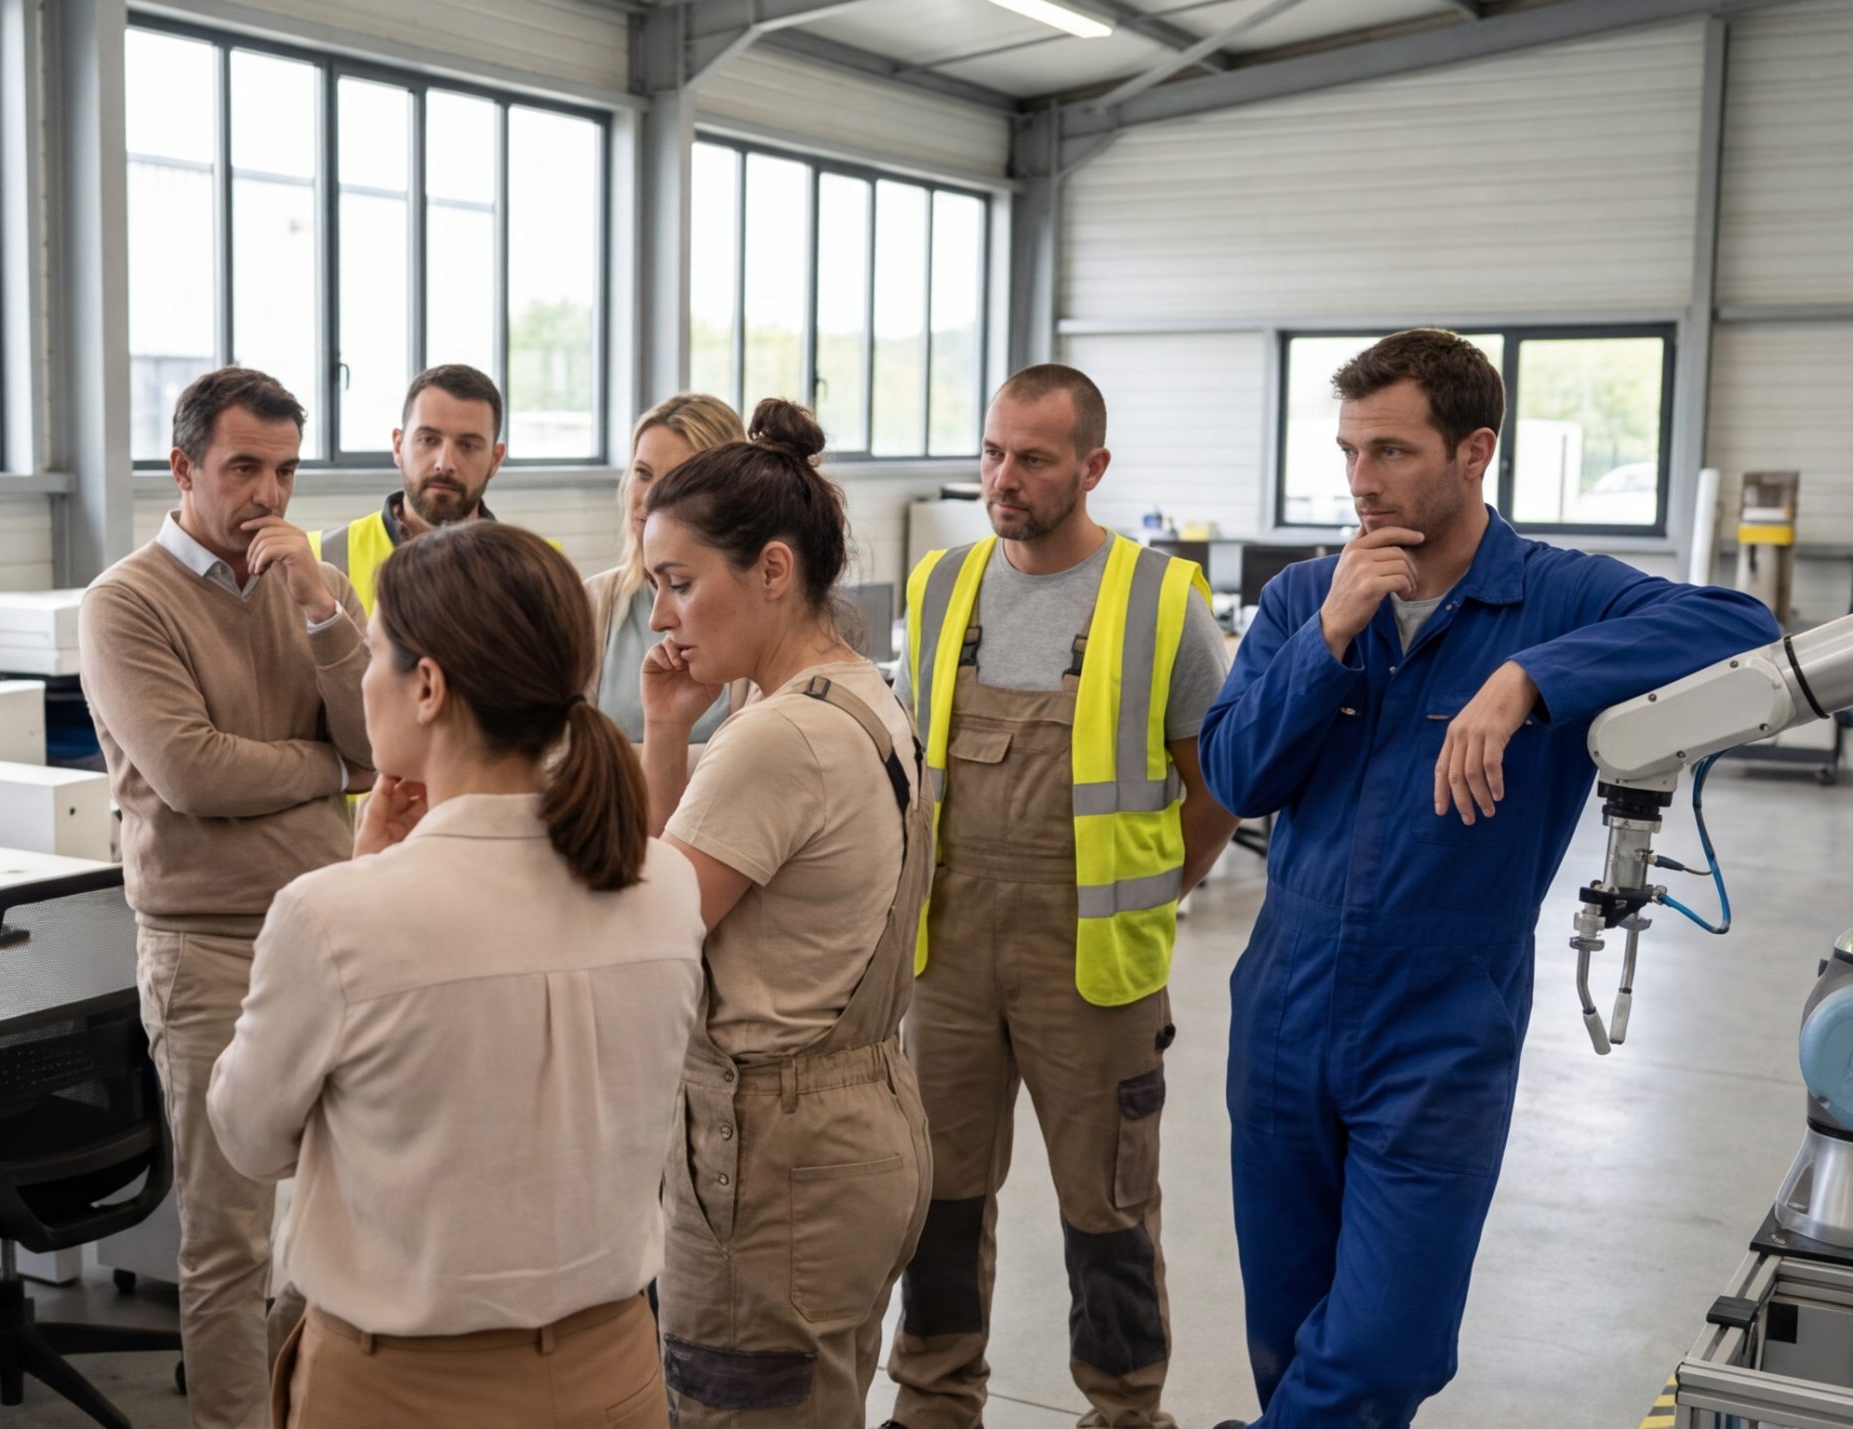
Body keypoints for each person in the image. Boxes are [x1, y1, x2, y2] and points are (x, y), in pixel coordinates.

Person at [1198, 329, 1780, 1428]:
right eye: (1348, 451)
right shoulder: (1304, 600)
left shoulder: (1553, 596)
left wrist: (1529, 676)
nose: (1362, 483)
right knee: (1288, 1326)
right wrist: (1329, 636)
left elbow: (1739, 626)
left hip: (1441, 1019)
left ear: (1474, 453)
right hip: (1282, 1005)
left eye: (1392, 451)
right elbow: (1235, 772)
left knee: (1384, 1341)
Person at [206, 521, 704, 1428]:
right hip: (617, 1370)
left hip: (404, 1390)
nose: (361, 676)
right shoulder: (664, 882)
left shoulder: (335, 916)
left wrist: (363, 876)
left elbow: (248, 1138)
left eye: (376, 652)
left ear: (427, 685)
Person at [885, 365, 1237, 1429]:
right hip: (944, 953)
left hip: (1094, 969)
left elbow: (1214, 777)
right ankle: (933, 1404)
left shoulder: (1160, 600)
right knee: (936, 1203)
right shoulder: (940, 585)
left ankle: (1125, 1411)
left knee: (1108, 1213)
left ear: (1091, 466)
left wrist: (1154, 889)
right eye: (993, 453)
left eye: (1032, 459)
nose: (1004, 478)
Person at [78, 366, 373, 1429]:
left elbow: (378, 740)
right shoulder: (124, 603)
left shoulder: (317, 589)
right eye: (243, 467)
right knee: (228, 1237)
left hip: (332, 932)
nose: (267, 496)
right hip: (205, 949)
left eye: (285, 471)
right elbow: (193, 773)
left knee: (347, 1211)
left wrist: (321, 608)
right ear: (184, 466)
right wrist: (328, 769)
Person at [637, 399, 935, 1426]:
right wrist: (668, 733)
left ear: (771, 569)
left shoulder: (776, 740)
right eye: (653, 588)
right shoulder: (861, 694)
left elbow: (648, 926)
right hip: (860, 1121)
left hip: (772, 1150)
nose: (663, 615)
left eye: (680, 584)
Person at [586, 393, 746, 746]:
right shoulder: (588, 602)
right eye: (642, 473)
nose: (649, 498)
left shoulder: (754, 618)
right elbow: (559, 754)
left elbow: (760, 760)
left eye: (676, 481)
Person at [308, 363, 509, 613]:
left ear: (496, 459)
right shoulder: (317, 555)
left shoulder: (534, 572)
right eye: (428, 440)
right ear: (398, 446)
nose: (444, 464)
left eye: (468, 445)